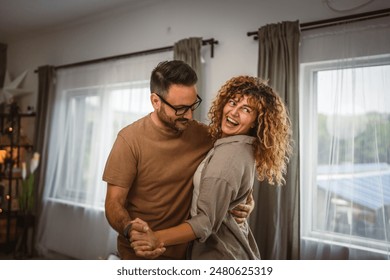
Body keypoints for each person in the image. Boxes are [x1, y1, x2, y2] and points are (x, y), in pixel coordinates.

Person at [102, 60, 254, 260]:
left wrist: (247, 202)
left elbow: (231, 171)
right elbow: (113, 203)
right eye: (181, 108)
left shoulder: (204, 135)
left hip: (187, 254)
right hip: (140, 253)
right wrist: (129, 228)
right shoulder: (129, 140)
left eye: (193, 105)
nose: (189, 115)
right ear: (156, 101)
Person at [129, 75, 293, 259]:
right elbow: (233, 189)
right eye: (232, 103)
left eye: (246, 109)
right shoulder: (230, 144)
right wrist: (246, 200)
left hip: (220, 255)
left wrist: (156, 238)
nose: (234, 112)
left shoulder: (229, 156)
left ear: (256, 121)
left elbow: (205, 221)